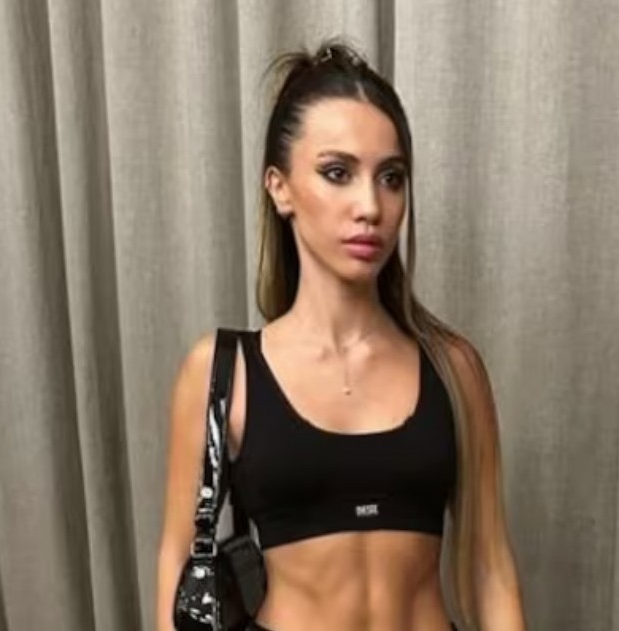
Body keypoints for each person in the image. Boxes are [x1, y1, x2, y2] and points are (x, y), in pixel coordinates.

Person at [157, 39, 526, 631]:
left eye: (391, 178)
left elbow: (489, 565)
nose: (370, 206)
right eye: (337, 173)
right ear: (279, 187)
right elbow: (181, 566)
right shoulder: (223, 372)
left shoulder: (454, 368)